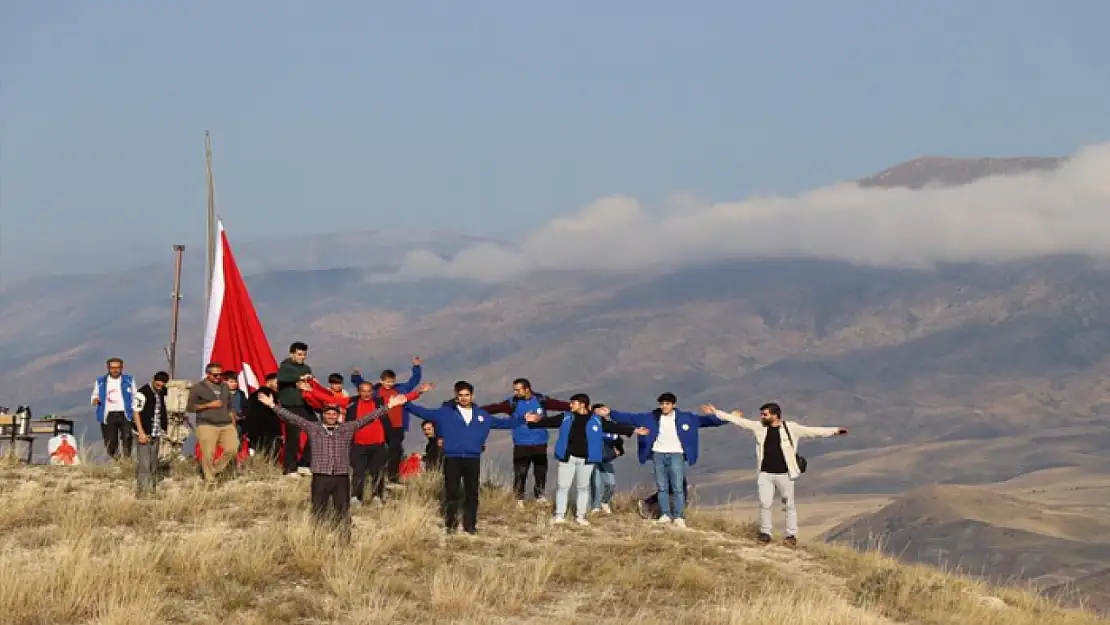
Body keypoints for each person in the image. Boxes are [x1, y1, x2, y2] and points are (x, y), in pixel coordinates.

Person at [257, 390, 408, 542]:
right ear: (323, 415)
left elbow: (367, 418)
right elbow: (293, 418)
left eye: (334, 414)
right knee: (318, 511)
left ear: (338, 415)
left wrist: (389, 406)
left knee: (342, 511)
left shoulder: (347, 428)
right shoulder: (313, 428)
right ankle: (317, 540)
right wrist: (272, 405)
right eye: (328, 413)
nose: (331, 416)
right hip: (320, 476)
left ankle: (344, 541)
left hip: (341, 477)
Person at [704, 402, 848, 546]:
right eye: (761, 414)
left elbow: (813, 431)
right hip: (765, 474)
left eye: (765, 414)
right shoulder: (759, 428)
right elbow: (740, 421)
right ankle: (765, 533)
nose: (762, 417)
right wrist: (716, 412)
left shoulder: (790, 428)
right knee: (764, 504)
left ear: (775, 415)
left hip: (785, 474)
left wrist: (835, 431)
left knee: (788, 505)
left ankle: (791, 535)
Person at [405, 381, 539, 535]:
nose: (463, 398)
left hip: (472, 458)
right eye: (460, 395)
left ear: (472, 395)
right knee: (451, 492)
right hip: (452, 458)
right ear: (456, 397)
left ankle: (470, 525)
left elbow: (503, 423)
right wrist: (405, 402)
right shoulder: (445, 413)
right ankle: (451, 524)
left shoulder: (482, 415)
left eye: (466, 395)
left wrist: (524, 419)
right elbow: (422, 412)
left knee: (472, 493)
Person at [594, 392, 729, 529]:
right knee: (662, 486)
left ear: (673, 405)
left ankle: (678, 516)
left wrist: (728, 417)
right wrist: (611, 412)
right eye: (662, 403)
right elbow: (629, 417)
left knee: (677, 487)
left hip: (677, 454)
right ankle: (665, 515)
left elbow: (709, 421)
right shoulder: (650, 417)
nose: (664, 406)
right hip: (658, 454)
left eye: (667, 404)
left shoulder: (687, 418)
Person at [527, 394, 645, 525]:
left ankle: (580, 516)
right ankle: (559, 515)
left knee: (583, 488)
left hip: (587, 459)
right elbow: (548, 422)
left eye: (574, 403)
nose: (570, 405)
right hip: (568, 458)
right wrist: (533, 422)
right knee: (563, 487)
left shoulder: (597, 420)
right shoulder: (565, 417)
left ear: (582, 404)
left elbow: (614, 427)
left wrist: (634, 430)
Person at [481, 378, 571, 507]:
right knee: (520, 471)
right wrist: (474, 409)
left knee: (540, 471)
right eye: (514, 389)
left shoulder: (541, 401)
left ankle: (539, 496)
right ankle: (519, 499)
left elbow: (559, 405)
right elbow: (495, 408)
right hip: (521, 443)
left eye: (518, 389)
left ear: (527, 389)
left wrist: (576, 406)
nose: (515, 392)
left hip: (540, 442)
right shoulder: (512, 404)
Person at [347, 380, 433, 505]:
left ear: (373, 392)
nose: (366, 394)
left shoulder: (380, 403)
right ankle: (355, 497)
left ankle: (377, 496)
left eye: (369, 391)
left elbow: (401, 399)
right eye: (363, 391)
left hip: (378, 445)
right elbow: (328, 398)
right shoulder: (352, 404)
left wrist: (418, 392)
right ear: (358, 392)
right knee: (358, 472)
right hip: (358, 444)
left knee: (377, 472)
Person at [351, 356, 423, 484]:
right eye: (387, 381)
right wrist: (356, 377)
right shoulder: (376, 391)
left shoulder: (400, 390)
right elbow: (363, 387)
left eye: (391, 381)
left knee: (396, 450)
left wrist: (416, 367)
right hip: (381, 425)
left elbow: (413, 382)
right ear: (382, 381)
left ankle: (392, 476)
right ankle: (374, 474)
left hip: (397, 425)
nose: (389, 384)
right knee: (379, 451)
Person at [186, 362, 238, 485]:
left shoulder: (225, 387)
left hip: (226, 423)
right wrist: (208, 405)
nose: (218, 377)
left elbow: (230, 407)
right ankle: (210, 480)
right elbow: (190, 407)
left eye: (220, 375)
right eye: (215, 375)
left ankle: (215, 470)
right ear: (208, 374)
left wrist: (233, 423)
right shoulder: (198, 388)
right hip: (206, 423)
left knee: (232, 449)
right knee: (208, 453)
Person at [276, 342, 315, 476]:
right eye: (299, 354)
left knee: (316, 430)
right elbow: (282, 378)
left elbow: (310, 382)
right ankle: (289, 468)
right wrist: (299, 379)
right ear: (292, 354)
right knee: (293, 436)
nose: (302, 357)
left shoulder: (306, 367)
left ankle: (304, 463)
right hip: (290, 406)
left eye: (304, 355)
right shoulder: (285, 367)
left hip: (305, 405)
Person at [90, 357, 138, 460]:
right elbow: (94, 395)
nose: (115, 370)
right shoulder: (100, 381)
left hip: (125, 414)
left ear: (122, 368)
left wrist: (135, 412)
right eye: (112, 368)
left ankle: (127, 459)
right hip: (108, 414)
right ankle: (116, 459)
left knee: (127, 437)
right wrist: (95, 400)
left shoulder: (129, 380)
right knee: (110, 440)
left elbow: (135, 396)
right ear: (108, 368)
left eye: (117, 368)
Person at [132, 371, 169, 496]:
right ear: (154, 380)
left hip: (156, 432)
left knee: (153, 462)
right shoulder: (142, 393)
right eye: (158, 384)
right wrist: (141, 432)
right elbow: (136, 413)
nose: (160, 386)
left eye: (162, 384)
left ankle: (151, 488)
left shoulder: (162, 392)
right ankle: (142, 491)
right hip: (144, 432)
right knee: (144, 463)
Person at [588, 404, 628, 515]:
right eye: (599, 410)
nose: (602, 412)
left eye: (604, 409)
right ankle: (595, 507)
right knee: (596, 483)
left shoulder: (611, 426)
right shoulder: (591, 424)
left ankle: (604, 502)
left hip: (606, 457)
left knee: (611, 483)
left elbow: (618, 439)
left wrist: (619, 449)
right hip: (593, 457)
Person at [243, 374, 282, 459]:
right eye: (277, 383)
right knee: (270, 455)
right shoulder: (271, 394)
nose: (278, 385)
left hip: (254, 431)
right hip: (268, 431)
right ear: (270, 381)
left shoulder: (253, 395)